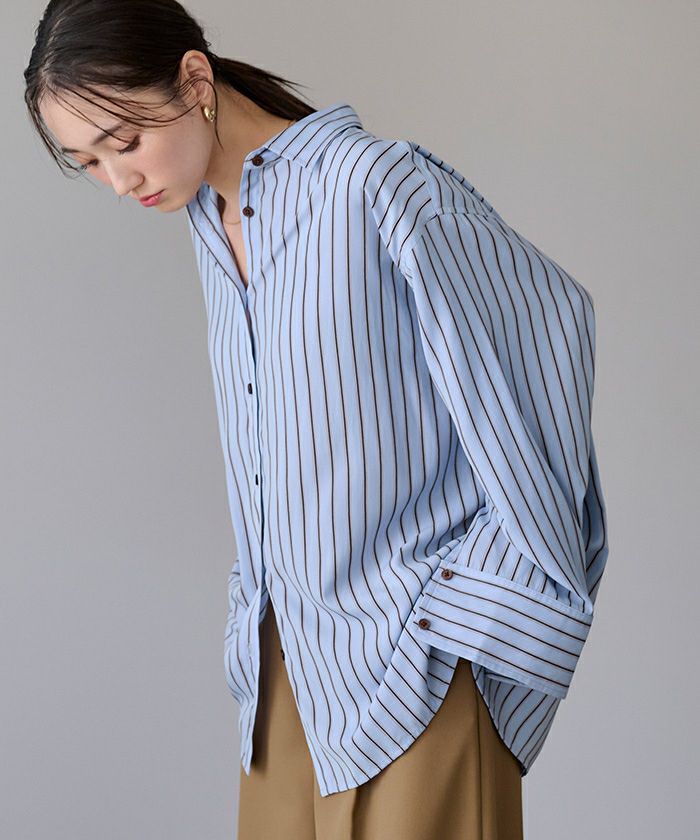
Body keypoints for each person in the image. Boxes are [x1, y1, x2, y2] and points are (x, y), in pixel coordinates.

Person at [25, 1, 609, 838]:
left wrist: (471, 608)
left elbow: (551, 334)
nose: (120, 180)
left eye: (126, 141)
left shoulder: (374, 185)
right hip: (283, 674)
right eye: (88, 161)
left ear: (195, 81)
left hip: (413, 670)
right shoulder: (208, 218)